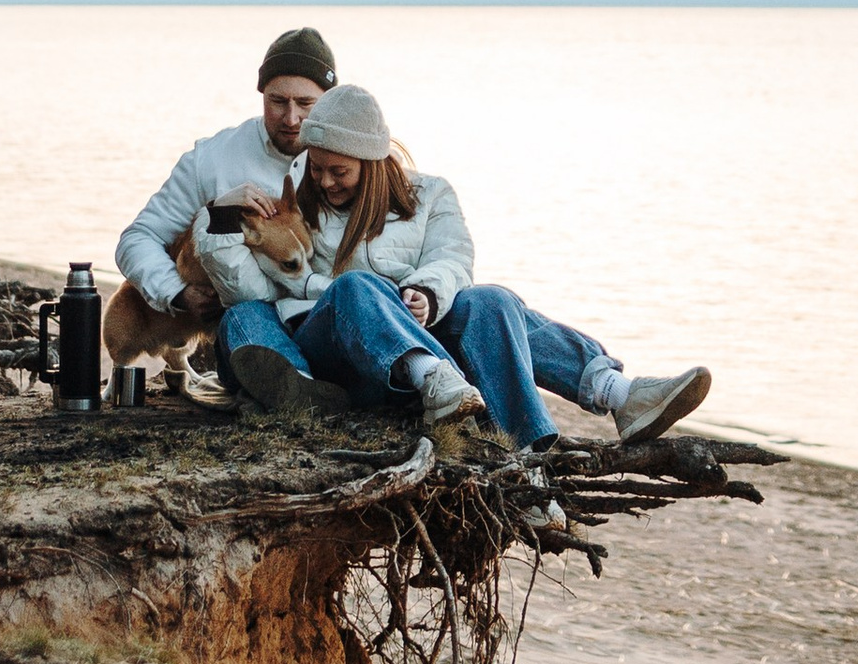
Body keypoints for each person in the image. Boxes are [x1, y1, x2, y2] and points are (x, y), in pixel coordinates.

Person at [190, 80, 711, 451]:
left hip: (421, 349)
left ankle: (596, 409)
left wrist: (427, 293)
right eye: (318, 168)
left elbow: (452, 258)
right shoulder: (301, 204)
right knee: (357, 288)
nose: (324, 181)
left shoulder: (432, 196)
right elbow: (251, 285)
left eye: (339, 171)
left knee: (493, 300)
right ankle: (433, 378)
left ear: (372, 163)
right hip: (342, 355)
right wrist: (219, 216)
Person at [107, 24, 338, 373]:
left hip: (321, 314)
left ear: (329, 102)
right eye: (277, 102)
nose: (292, 118)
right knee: (247, 315)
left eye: (306, 103)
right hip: (243, 323)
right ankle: (291, 382)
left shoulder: (350, 163)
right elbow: (137, 240)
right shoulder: (211, 159)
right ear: (261, 94)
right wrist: (178, 293)